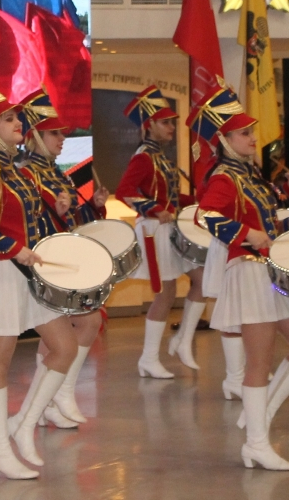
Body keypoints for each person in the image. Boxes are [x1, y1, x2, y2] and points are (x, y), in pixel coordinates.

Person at [193, 85, 289, 471]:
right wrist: (246, 234)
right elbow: (204, 216)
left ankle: (262, 414)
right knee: (259, 361)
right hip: (249, 272)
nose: (253, 138)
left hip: (272, 270)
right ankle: (256, 443)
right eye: (244, 133)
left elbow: (272, 224)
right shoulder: (225, 177)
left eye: (252, 132)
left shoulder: (251, 175)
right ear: (224, 139)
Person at [0, 73, 79, 480]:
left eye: (16, 118)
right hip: (1, 272)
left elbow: (39, 218)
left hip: (27, 272)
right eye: (8, 119)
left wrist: (59, 215)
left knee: (65, 346)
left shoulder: (19, 172)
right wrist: (12, 248)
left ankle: (23, 425)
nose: (18, 123)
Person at [8, 88, 108, 432]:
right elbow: (27, 219)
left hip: (58, 259)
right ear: (35, 135)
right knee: (84, 323)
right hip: (39, 262)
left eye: (62, 133)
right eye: (54, 133)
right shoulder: (25, 171)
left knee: (80, 326)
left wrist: (94, 207)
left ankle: (55, 398)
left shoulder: (55, 171)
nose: (62, 138)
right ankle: (54, 397)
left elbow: (72, 219)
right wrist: (58, 212)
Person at [116, 85, 204, 376]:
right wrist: (154, 209)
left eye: (171, 122)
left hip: (169, 228)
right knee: (165, 294)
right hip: (155, 230)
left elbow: (171, 197)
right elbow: (124, 191)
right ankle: (149, 358)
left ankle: (183, 340)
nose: (171, 127)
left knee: (202, 281)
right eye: (165, 122)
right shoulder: (143, 157)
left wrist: (200, 202)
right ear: (149, 125)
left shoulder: (160, 156)